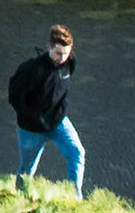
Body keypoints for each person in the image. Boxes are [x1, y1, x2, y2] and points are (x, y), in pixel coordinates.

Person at [6, 24, 81, 197]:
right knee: (27, 171)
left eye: (65, 53)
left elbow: (63, 87)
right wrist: (32, 117)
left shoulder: (69, 63)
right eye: (57, 53)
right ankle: (21, 200)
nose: (61, 58)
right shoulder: (31, 69)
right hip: (31, 129)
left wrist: (61, 109)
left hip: (58, 121)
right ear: (49, 47)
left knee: (77, 152)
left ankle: (75, 198)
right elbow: (14, 96)